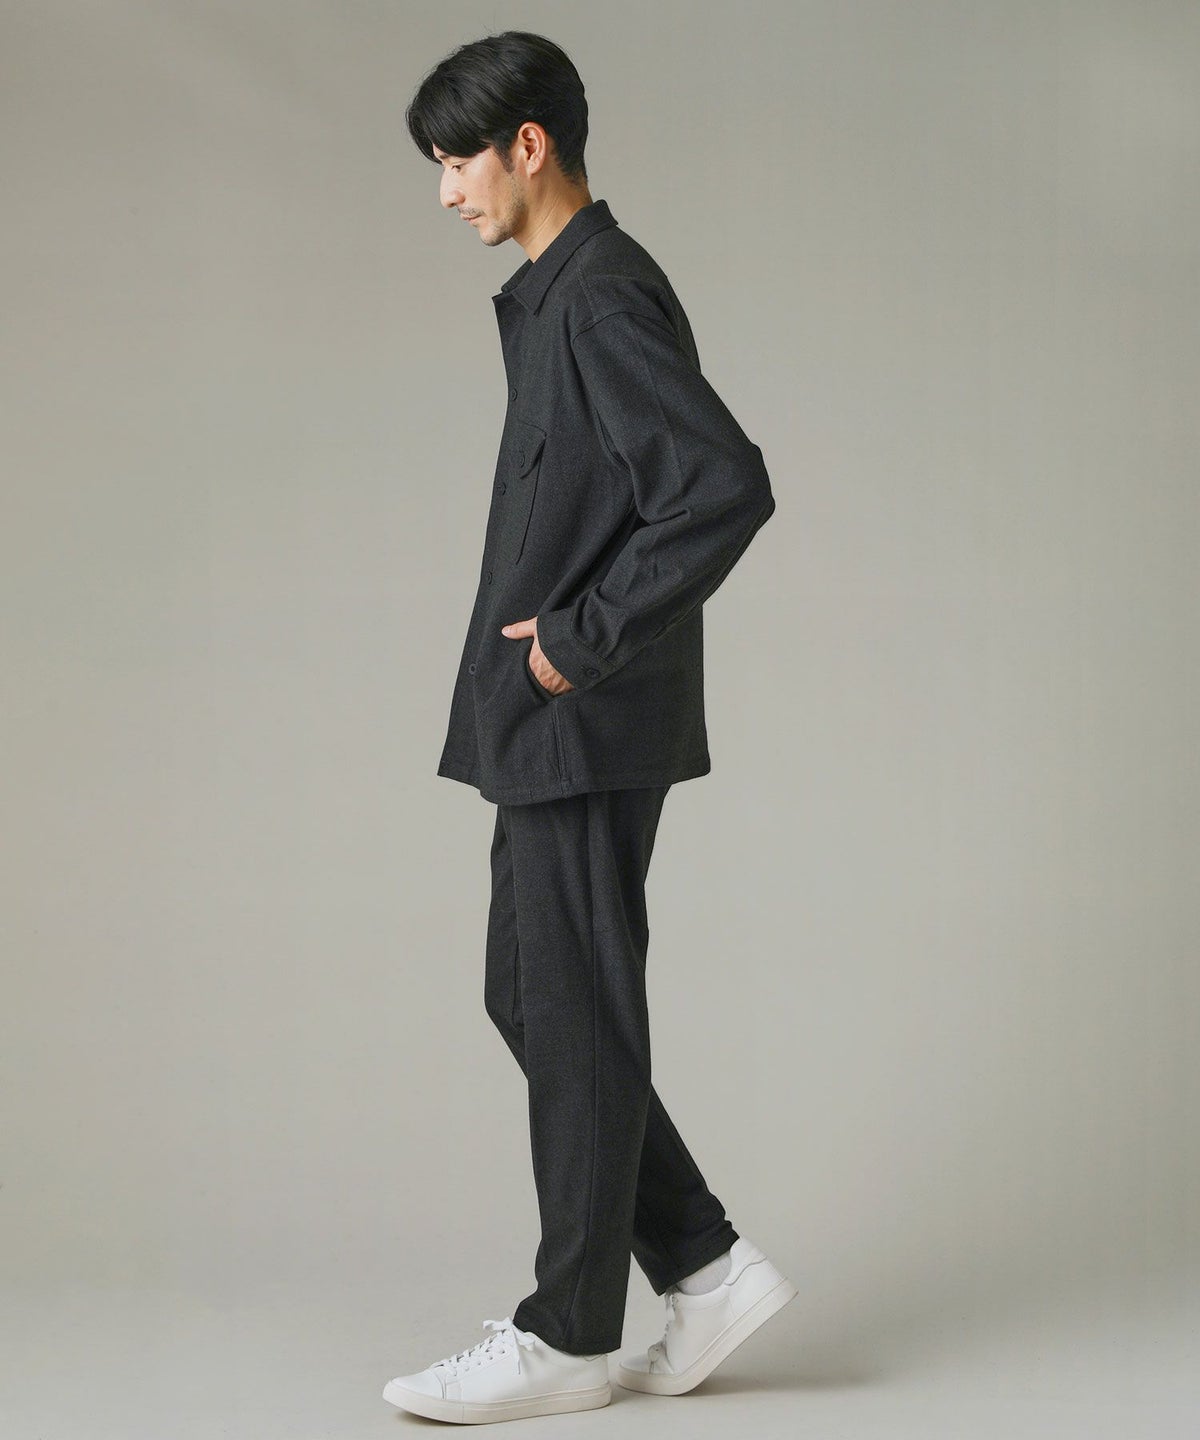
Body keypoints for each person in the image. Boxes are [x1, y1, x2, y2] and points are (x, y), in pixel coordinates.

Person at [384, 30, 796, 1425]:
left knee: (570, 1003)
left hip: (583, 723)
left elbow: (719, 485)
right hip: (556, 726)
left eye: (458, 161)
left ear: (530, 144)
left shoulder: (601, 294)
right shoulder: (560, 294)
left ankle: (571, 1335)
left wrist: (577, 641)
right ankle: (708, 1266)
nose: (448, 192)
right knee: (538, 996)